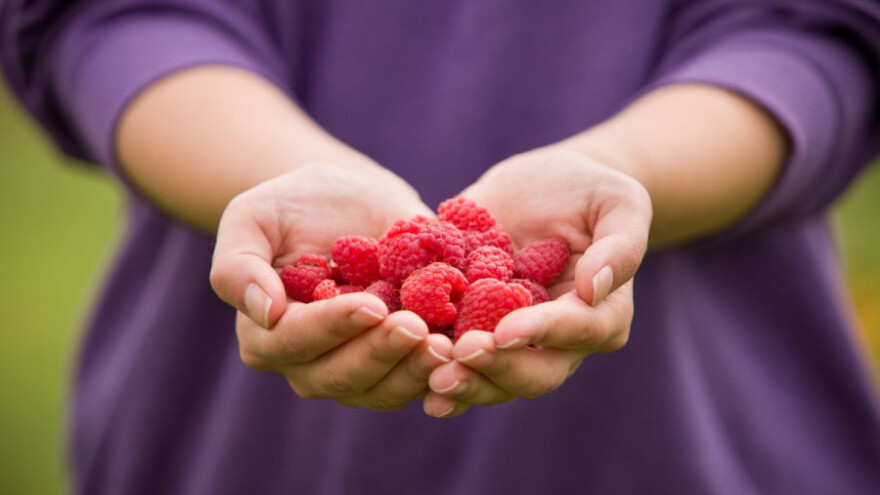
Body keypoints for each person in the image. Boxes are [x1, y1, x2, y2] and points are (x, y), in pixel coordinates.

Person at [3, 0, 880, 493]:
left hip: (697, 456)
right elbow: (106, 16)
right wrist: (283, 171)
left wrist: (625, 171)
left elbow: (824, 32)